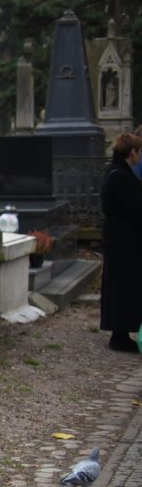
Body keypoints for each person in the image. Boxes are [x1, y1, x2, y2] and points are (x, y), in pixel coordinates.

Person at [99, 132, 142, 352]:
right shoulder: (121, 176)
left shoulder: (116, 172)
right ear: (131, 152)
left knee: (120, 285)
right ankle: (120, 334)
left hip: (119, 237)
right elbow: (134, 207)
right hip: (124, 239)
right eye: (139, 152)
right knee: (122, 286)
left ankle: (121, 331)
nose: (139, 156)